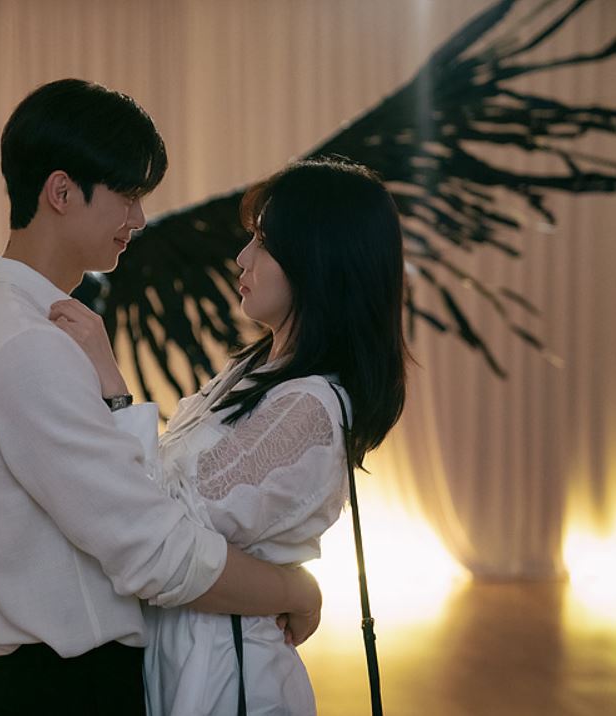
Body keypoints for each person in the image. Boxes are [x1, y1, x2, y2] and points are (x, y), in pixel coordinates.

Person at [0, 79, 325, 716]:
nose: (139, 219)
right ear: (61, 192)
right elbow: (154, 551)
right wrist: (294, 589)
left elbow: (127, 505)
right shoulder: (24, 343)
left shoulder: (22, 324)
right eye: (127, 195)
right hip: (64, 692)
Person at [51, 158, 409, 714]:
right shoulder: (259, 370)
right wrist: (294, 588)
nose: (243, 258)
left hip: (228, 680)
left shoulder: (309, 407)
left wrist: (113, 388)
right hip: (195, 658)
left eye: (264, 243)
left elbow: (162, 531)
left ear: (317, 260)